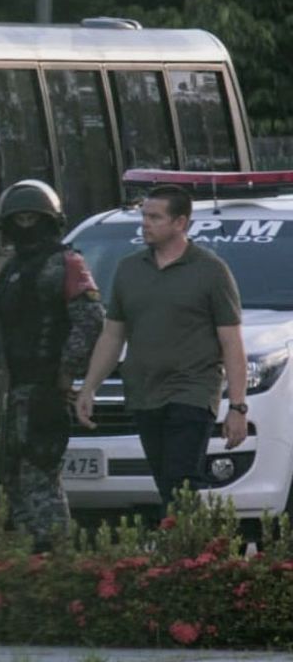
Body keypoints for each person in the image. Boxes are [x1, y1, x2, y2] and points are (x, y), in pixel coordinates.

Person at [76, 184, 247, 515]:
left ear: (180, 223)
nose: (145, 224)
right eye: (144, 216)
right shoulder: (129, 269)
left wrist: (237, 406)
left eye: (155, 217)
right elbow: (113, 335)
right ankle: (186, 550)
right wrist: (89, 387)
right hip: (144, 392)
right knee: (166, 483)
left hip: (192, 390)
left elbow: (231, 341)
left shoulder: (210, 271)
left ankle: (189, 555)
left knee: (181, 477)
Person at [0, 180, 105, 551]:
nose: (26, 225)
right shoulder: (12, 269)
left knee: (40, 477)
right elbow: (2, 331)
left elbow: (90, 319)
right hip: (12, 393)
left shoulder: (67, 263)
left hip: (44, 391)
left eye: (33, 217)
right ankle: (25, 561)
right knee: (9, 479)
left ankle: (56, 559)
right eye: (20, 218)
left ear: (49, 220)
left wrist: (65, 372)